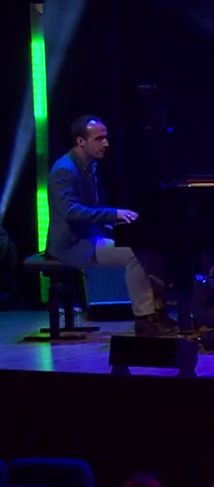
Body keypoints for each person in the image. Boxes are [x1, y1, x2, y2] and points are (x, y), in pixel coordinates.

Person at [46, 115, 175, 335]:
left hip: (92, 236)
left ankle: (158, 310)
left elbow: (95, 205)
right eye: (99, 139)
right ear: (80, 141)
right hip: (73, 243)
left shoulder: (90, 165)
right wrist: (113, 215)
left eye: (106, 138)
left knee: (149, 249)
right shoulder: (64, 170)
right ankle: (144, 318)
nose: (106, 143)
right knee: (133, 254)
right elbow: (71, 211)